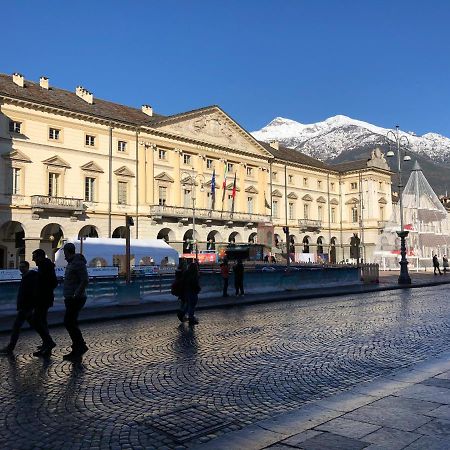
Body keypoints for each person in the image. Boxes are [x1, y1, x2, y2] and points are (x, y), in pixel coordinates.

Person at [62, 243, 89, 361]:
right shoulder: (72, 263)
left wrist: (76, 294)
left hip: (75, 298)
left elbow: (85, 280)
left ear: (68, 251)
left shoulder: (77, 263)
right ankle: (78, 346)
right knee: (71, 322)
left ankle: (80, 346)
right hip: (71, 297)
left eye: (64, 253)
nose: (64, 255)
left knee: (69, 322)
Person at [31, 249, 57, 356]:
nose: (33, 259)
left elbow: (50, 282)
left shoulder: (44, 267)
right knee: (42, 320)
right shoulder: (46, 266)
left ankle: (49, 342)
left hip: (42, 298)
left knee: (36, 321)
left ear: (40, 257)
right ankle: (46, 344)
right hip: (45, 297)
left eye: (34, 257)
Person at [182, 261, 201, 325]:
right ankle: (191, 318)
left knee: (188, 304)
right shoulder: (194, 275)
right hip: (193, 291)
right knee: (192, 305)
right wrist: (198, 288)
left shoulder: (186, 273)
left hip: (187, 290)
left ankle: (183, 314)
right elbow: (195, 284)